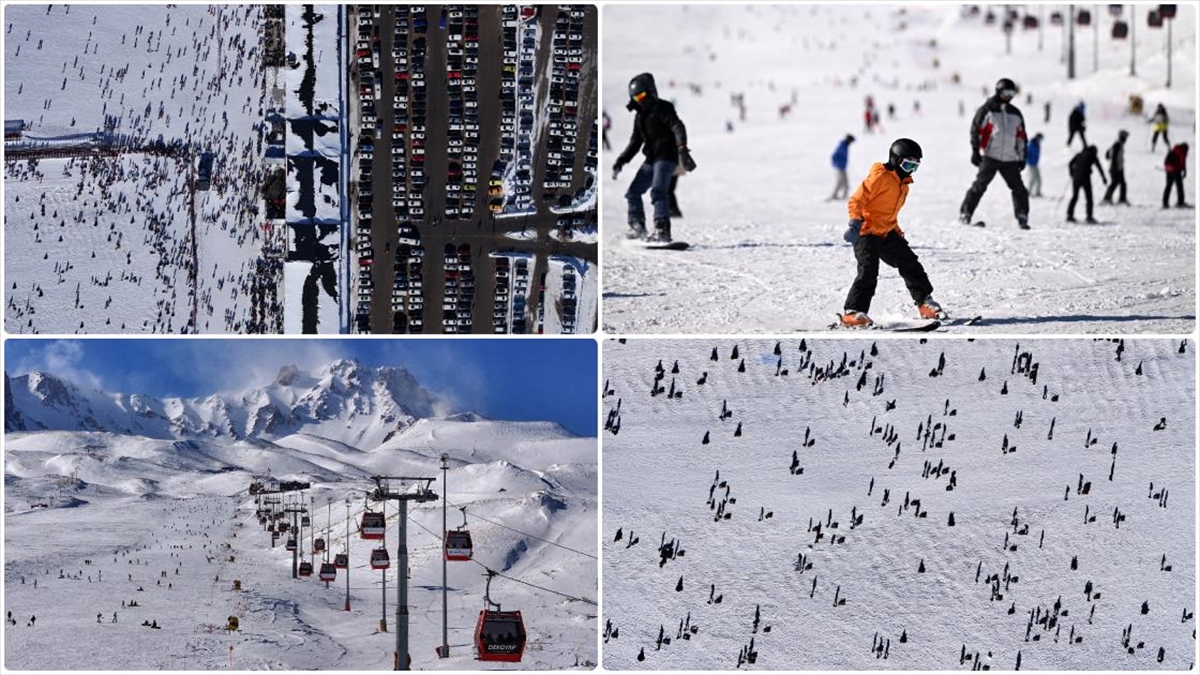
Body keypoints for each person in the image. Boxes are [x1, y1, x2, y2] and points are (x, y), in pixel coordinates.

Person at [840, 138, 944, 327]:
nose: (911, 170)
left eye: (915, 166)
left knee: (910, 263)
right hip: (866, 231)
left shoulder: (903, 185)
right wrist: (855, 223)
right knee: (868, 271)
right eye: (908, 164)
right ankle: (853, 312)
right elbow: (856, 200)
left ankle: (924, 303)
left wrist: (897, 232)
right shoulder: (880, 177)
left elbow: (889, 212)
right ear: (896, 160)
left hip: (887, 232)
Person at [612, 72, 695, 242]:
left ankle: (662, 230)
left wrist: (683, 149)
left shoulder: (663, 108)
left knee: (658, 191)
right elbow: (635, 142)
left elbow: (677, 126)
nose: (639, 100)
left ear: (651, 92)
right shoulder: (639, 116)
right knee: (633, 192)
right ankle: (637, 226)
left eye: (642, 95)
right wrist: (621, 161)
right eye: (636, 98)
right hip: (651, 159)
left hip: (666, 156)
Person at [959, 77, 1031, 229]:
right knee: (979, 186)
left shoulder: (1015, 113)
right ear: (998, 91)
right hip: (991, 156)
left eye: (1012, 92)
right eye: (1006, 92)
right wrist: (975, 150)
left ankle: (1022, 216)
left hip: (1010, 158)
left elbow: (1021, 137)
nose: (1009, 95)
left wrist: (1022, 157)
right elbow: (976, 130)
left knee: (1019, 189)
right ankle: (966, 213)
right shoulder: (988, 109)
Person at [1066, 145, 1106, 223]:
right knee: (1089, 198)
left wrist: (1072, 173)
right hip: (1085, 179)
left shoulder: (1079, 154)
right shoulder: (1092, 155)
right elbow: (1099, 166)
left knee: (1075, 196)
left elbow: (1070, 164)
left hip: (1076, 178)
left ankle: (1069, 215)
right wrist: (1103, 177)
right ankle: (1089, 216)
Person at [1101, 131, 1130, 205]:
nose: (1126, 140)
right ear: (1122, 137)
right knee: (1115, 183)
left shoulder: (1117, 144)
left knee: (1122, 183)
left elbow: (1107, 155)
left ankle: (1122, 199)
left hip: (1119, 167)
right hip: (1115, 167)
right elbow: (1112, 157)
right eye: (1125, 138)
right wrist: (1115, 166)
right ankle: (1107, 198)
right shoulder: (1117, 145)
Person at [829, 134, 856, 200]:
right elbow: (834, 156)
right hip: (839, 167)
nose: (851, 143)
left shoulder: (845, 146)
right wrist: (836, 164)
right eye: (851, 141)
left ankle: (844, 196)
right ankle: (833, 196)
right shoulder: (842, 146)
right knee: (840, 182)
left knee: (845, 182)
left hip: (842, 167)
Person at [1163, 142, 1189, 208]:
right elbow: (1182, 162)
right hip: (1176, 169)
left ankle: (1165, 202)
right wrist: (1184, 171)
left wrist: (1168, 169)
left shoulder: (1173, 149)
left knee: (1168, 186)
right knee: (1179, 187)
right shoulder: (1182, 151)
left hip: (1168, 169)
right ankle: (1180, 202)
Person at [1025, 132, 1044, 197]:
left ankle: (1033, 192)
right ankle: (1033, 192)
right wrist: (1028, 161)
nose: (1040, 141)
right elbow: (1027, 154)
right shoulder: (1031, 145)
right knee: (1035, 179)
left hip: (1035, 164)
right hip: (1031, 164)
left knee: (1035, 179)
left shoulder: (1036, 144)